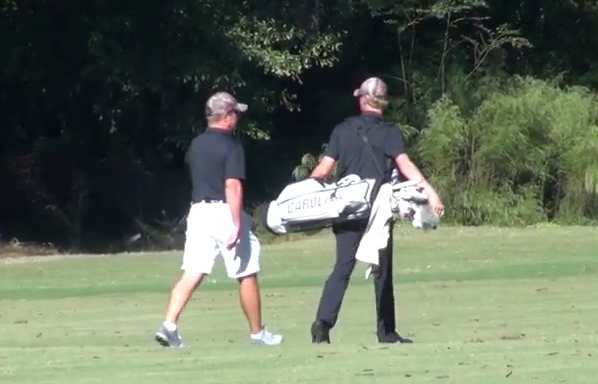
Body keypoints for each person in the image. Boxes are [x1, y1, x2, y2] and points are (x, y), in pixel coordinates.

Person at [307, 76, 445, 344]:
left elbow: (323, 170)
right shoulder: (390, 132)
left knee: (343, 267)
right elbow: (405, 166)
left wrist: (307, 199)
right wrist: (430, 192)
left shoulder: (342, 129)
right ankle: (386, 332)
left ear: (362, 100)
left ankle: (322, 324)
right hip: (377, 208)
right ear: (383, 102)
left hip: (346, 207)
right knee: (382, 272)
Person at [155, 91, 283, 348]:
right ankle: (258, 333)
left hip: (198, 212)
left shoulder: (196, 144)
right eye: (235, 113)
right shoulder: (231, 147)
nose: (237, 118)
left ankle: (169, 325)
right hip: (224, 211)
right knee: (247, 272)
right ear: (226, 116)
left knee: (193, 270)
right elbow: (232, 186)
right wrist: (236, 224)